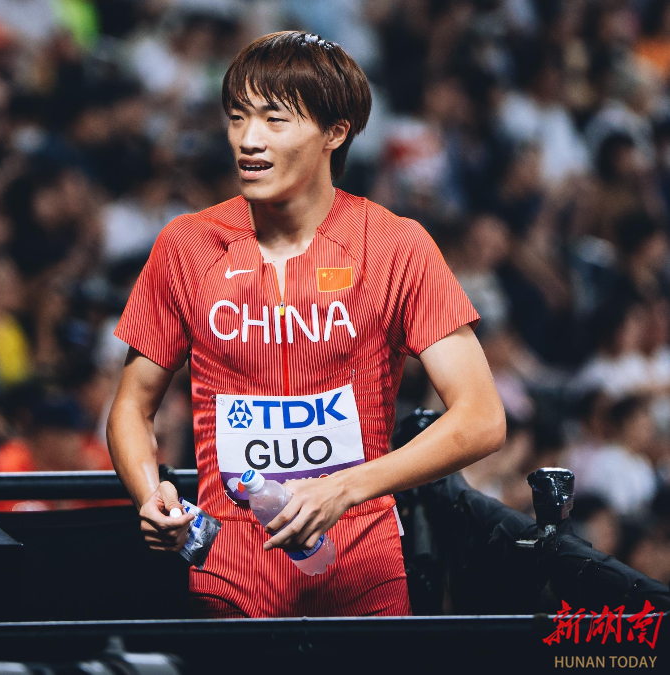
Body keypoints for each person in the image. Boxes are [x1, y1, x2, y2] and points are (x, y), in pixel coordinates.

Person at [107, 31, 506, 619]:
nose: (248, 139)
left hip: (363, 578)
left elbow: (481, 418)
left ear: (335, 132)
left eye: (275, 119)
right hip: (228, 582)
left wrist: (346, 487)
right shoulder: (186, 246)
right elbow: (131, 406)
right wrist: (151, 495)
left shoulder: (396, 247)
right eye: (237, 118)